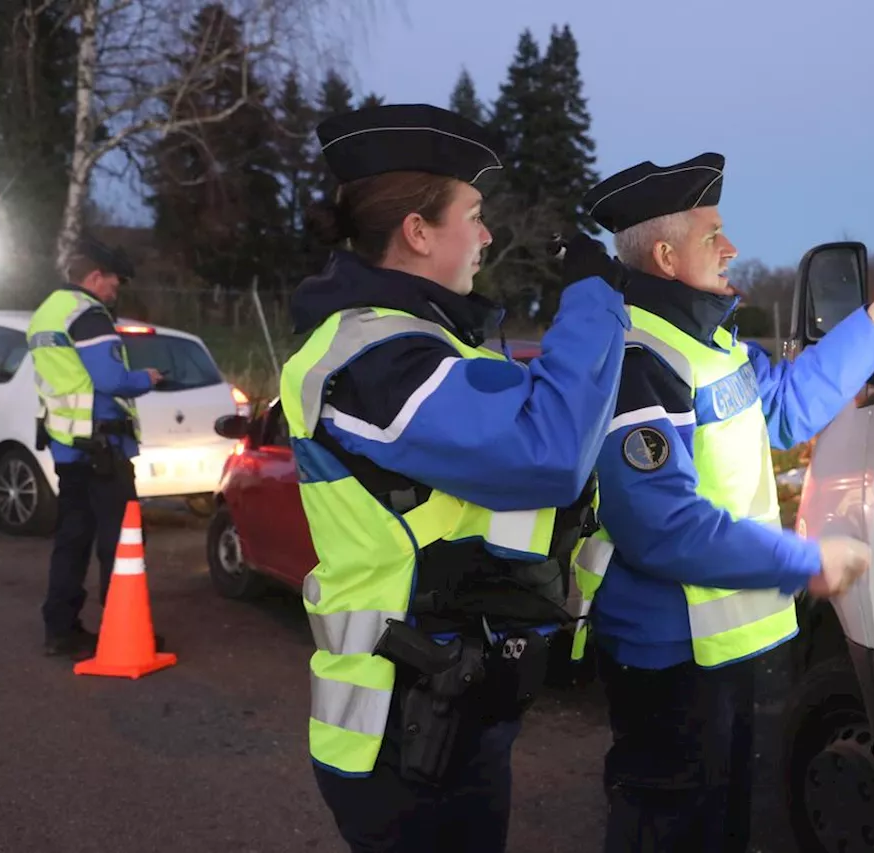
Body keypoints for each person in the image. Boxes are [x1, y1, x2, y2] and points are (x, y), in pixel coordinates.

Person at [279, 103, 629, 853]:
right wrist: (596, 302)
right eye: (473, 214)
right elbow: (550, 452)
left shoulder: (426, 346)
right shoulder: (374, 358)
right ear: (417, 230)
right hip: (401, 736)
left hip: (450, 708)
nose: (487, 234)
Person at [568, 152, 874, 853]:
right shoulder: (639, 360)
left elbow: (785, 408)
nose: (731, 247)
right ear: (666, 255)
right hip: (670, 660)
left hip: (731, 648)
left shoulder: (714, 344)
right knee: (666, 829)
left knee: (724, 827)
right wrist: (803, 560)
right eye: (712, 234)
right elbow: (662, 525)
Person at [28, 236, 163, 659]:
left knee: (71, 538)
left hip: (68, 447)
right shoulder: (87, 314)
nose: (115, 290)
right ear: (94, 276)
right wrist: (148, 377)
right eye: (113, 282)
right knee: (120, 540)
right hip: (103, 447)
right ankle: (122, 629)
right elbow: (110, 380)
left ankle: (61, 630)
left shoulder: (45, 315)